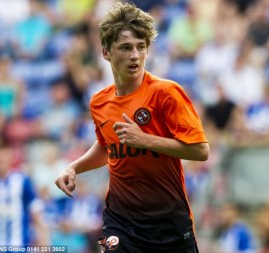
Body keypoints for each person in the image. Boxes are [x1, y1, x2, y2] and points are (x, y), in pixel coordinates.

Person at [55, 2, 209, 253]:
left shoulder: (166, 93)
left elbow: (200, 150)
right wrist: (74, 167)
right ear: (106, 52)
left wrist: (144, 140)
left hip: (168, 222)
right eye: (125, 48)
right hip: (121, 222)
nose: (135, 55)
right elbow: (108, 145)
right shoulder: (99, 101)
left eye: (141, 47)